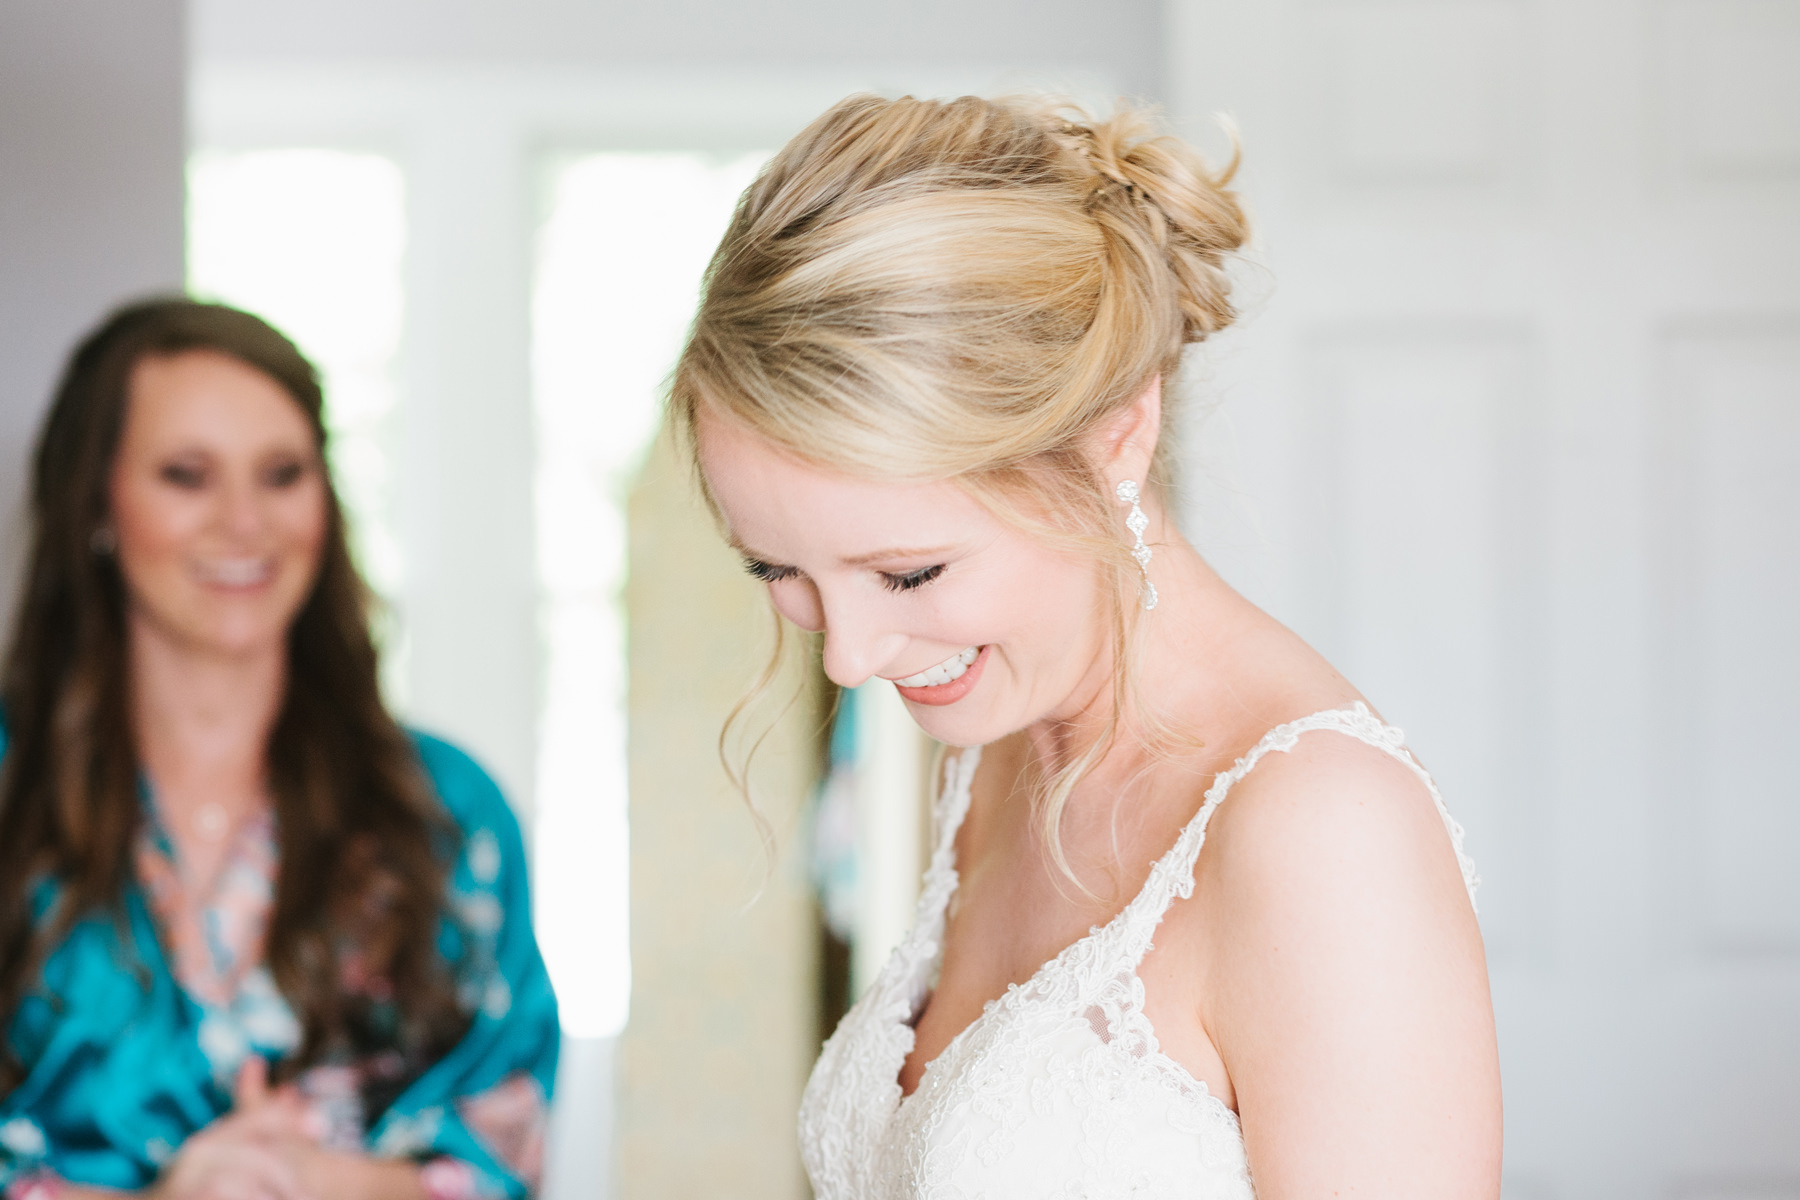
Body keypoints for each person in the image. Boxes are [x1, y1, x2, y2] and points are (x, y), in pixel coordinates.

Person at [672, 95, 1503, 1197]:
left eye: (910, 572)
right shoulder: (997, 737)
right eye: (776, 570)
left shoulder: (1319, 831)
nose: (850, 657)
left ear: (1117, 436)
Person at [0, 299, 558, 1200]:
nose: (245, 521)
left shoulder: (447, 813)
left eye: (282, 474)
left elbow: (502, 1147)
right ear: (96, 503)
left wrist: (307, 1181)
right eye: (188, 475)